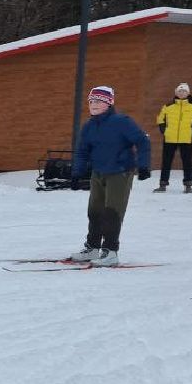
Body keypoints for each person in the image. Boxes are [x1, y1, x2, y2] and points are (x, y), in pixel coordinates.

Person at [69, 85, 151, 266]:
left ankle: (111, 251)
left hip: (120, 173)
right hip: (98, 173)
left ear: (109, 103)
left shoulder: (122, 122)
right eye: (91, 101)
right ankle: (92, 248)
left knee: (112, 212)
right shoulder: (89, 126)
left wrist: (143, 166)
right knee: (94, 211)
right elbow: (82, 151)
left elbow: (142, 140)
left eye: (98, 101)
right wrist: (76, 173)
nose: (93, 104)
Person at [154, 82, 192, 193]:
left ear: (188, 93)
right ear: (176, 93)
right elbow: (160, 119)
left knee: (187, 162)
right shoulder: (168, 106)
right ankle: (163, 184)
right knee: (166, 162)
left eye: (184, 91)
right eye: (180, 91)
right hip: (169, 138)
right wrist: (165, 131)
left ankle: (188, 185)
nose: (182, 93)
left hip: (187, 138)